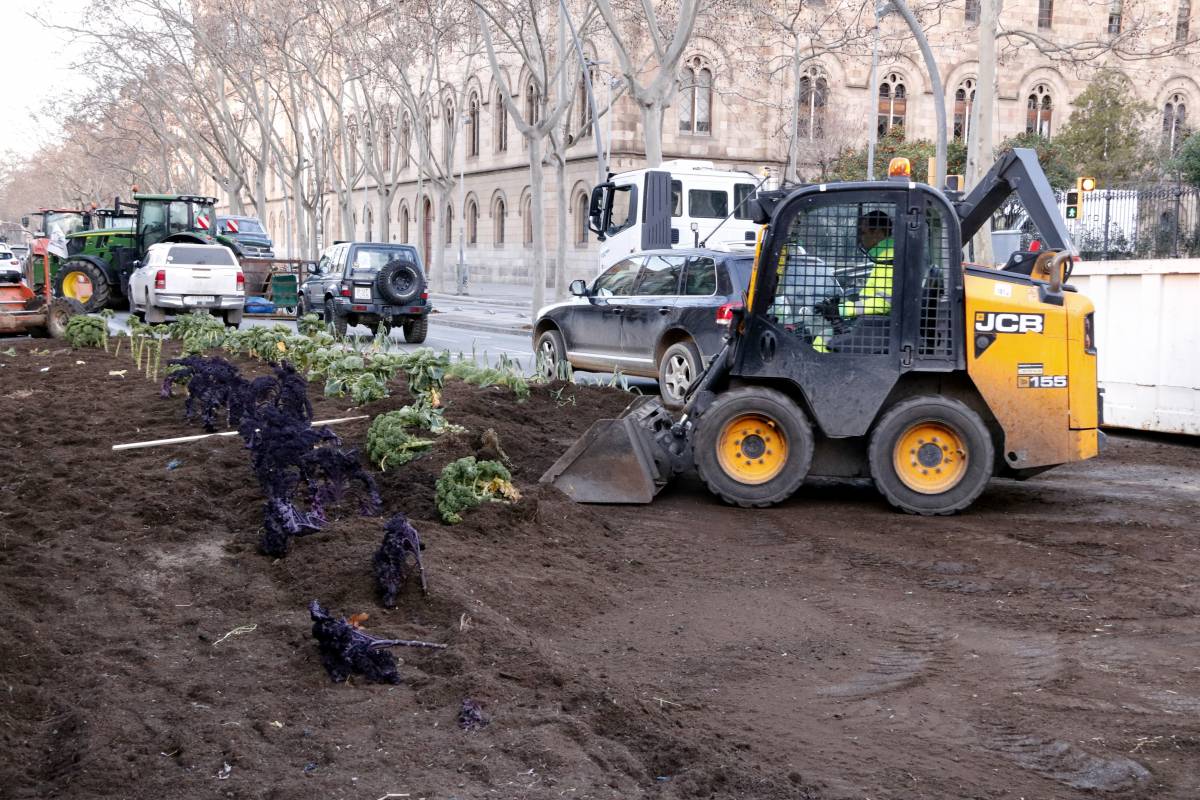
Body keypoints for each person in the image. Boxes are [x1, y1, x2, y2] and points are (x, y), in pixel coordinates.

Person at [839, 209, 895, 317]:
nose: (861, 239)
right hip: (873, 321)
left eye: (863, 233)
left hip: (878, 326)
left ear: (877, 233)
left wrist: (843, 310)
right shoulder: (885, 255)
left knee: (824, 334)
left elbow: (885, 301)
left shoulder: (888, 258)